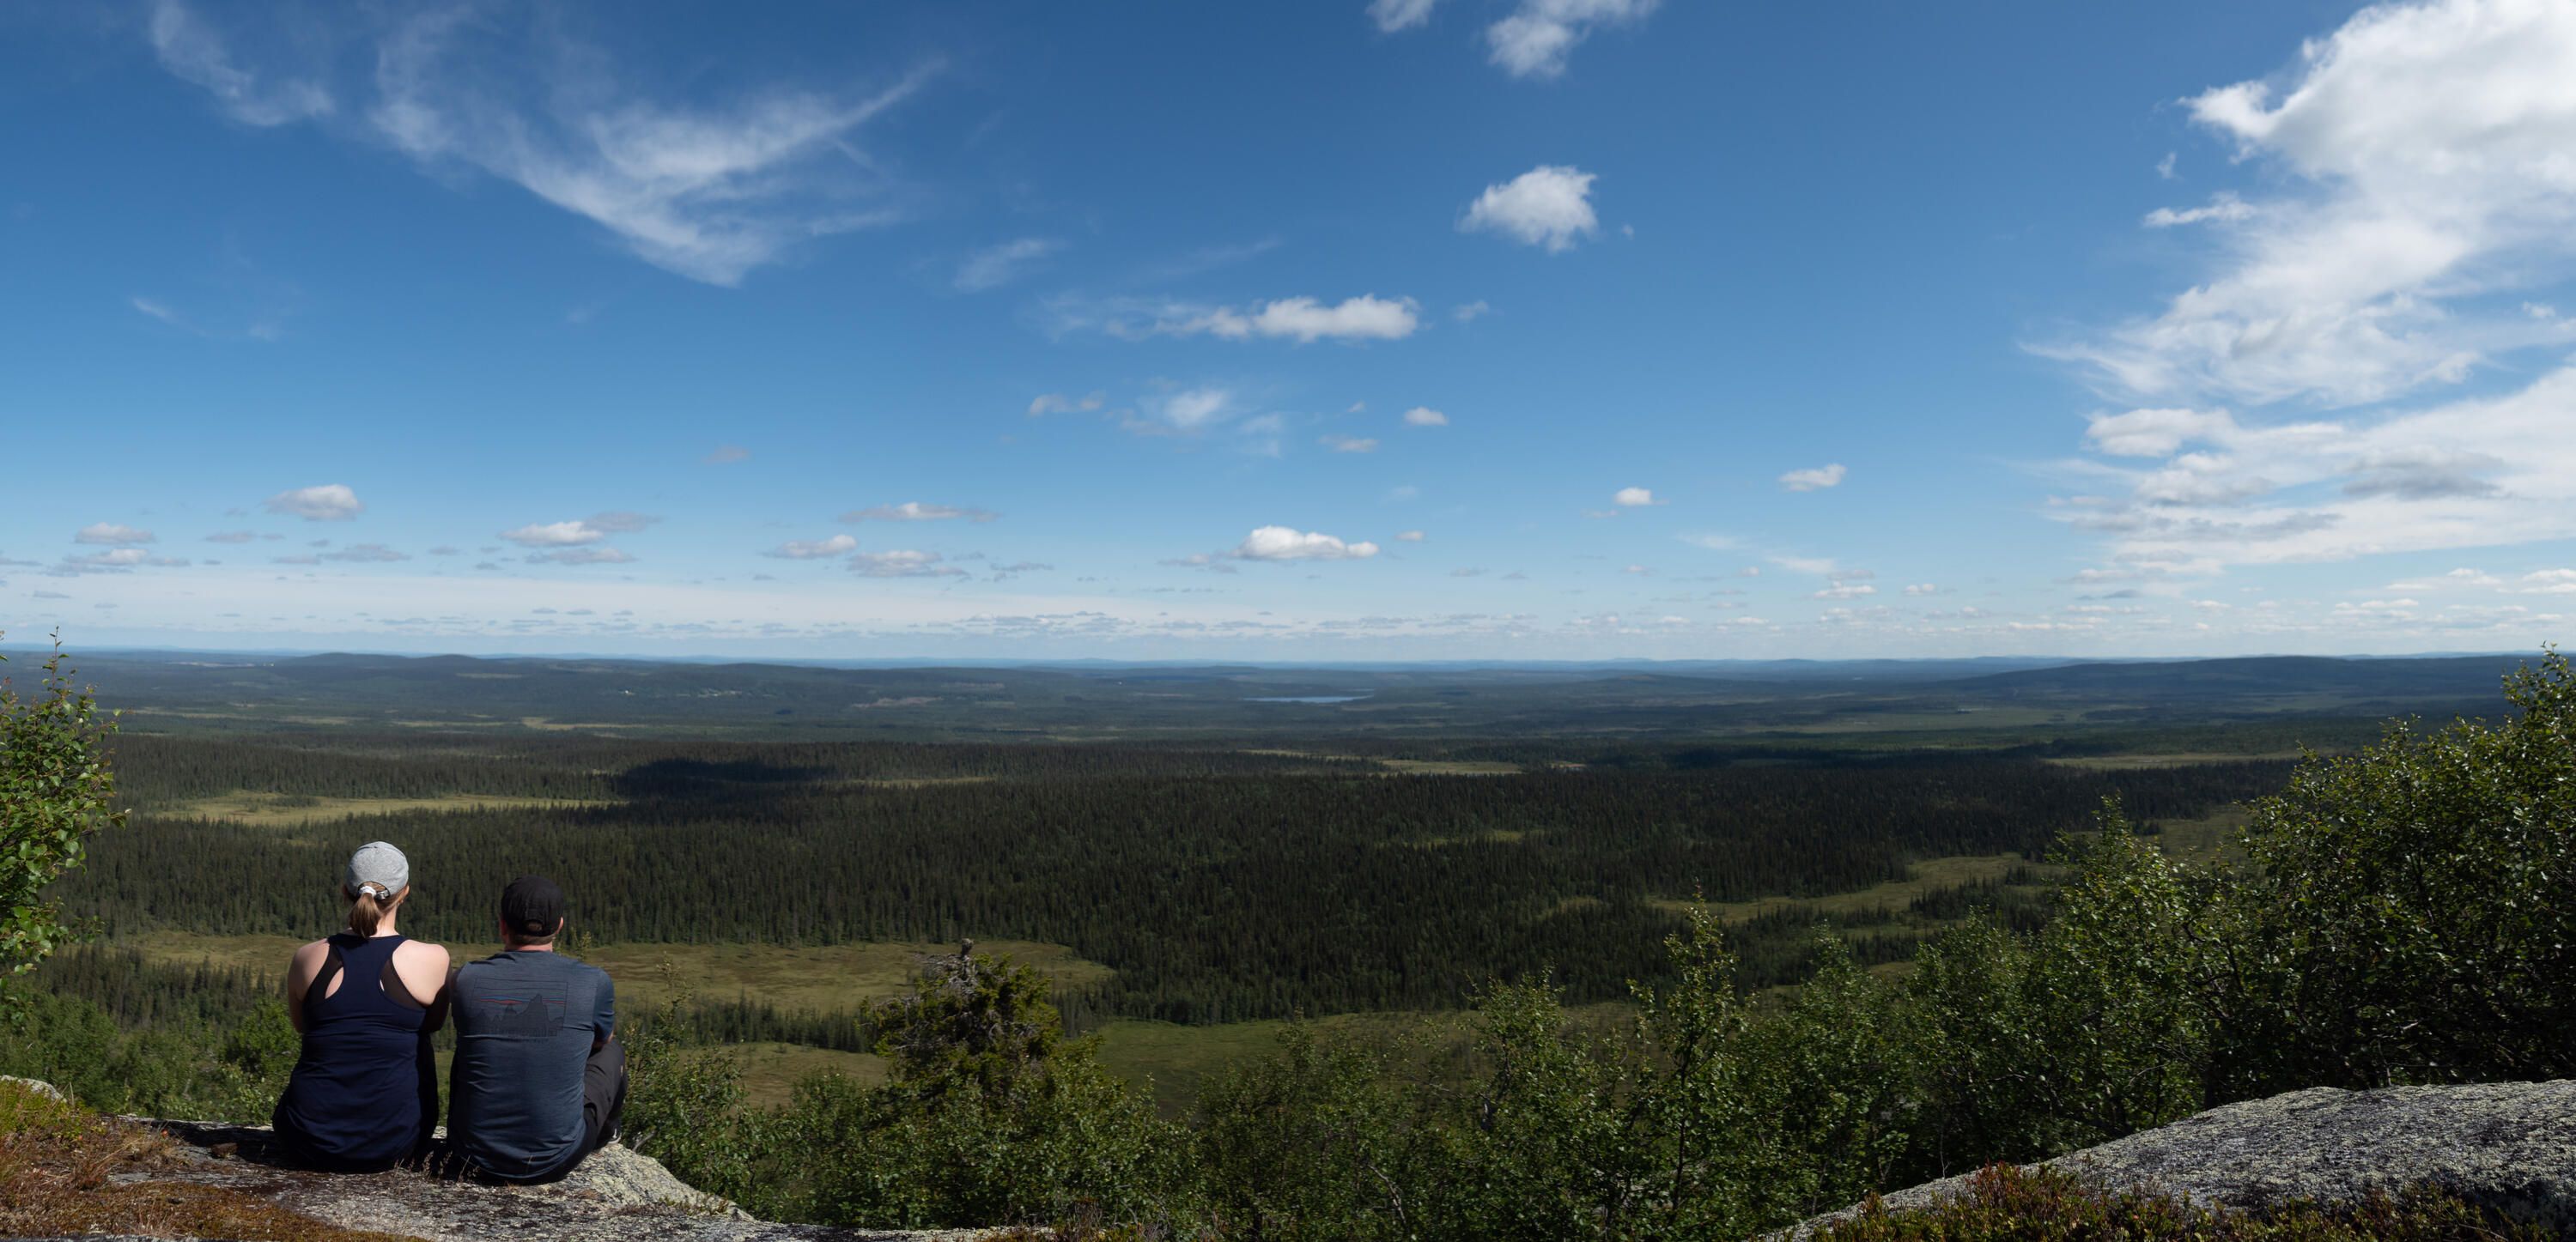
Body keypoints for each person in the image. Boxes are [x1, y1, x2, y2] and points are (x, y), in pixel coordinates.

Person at [272, 840, 448, 1172]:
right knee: (414, 1037)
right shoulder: (433, 958)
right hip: (395, 1143)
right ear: (404, 893)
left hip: (305, 1139)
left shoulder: (307, 957)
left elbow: (303, 1027)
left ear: (345, 891)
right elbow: (433, 1023)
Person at [442, 875, 625, 1183]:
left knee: (467, 1051)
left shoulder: (466, 979)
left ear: (502, 926)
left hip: (470, 1155)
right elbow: (600, 1040)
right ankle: (606, 1133)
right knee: (612, 1051)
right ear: (560, 926)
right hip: (555, 1160)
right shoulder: (593, 981)